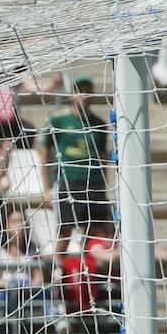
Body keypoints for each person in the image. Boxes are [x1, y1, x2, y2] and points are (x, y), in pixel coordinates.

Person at [37, 75, 109, 258]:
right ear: (72, 94)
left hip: (93, 183)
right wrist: (46, 187)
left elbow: (103, 157)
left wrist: (104, 185)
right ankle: (57, 278)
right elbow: (44, 153)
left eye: (87, 91)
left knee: (94, 233)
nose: (83, 95)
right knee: (64, 233)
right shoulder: (59, 122)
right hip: (68, 183)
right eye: (79, 91)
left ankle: (87, 279)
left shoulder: (100, 125)